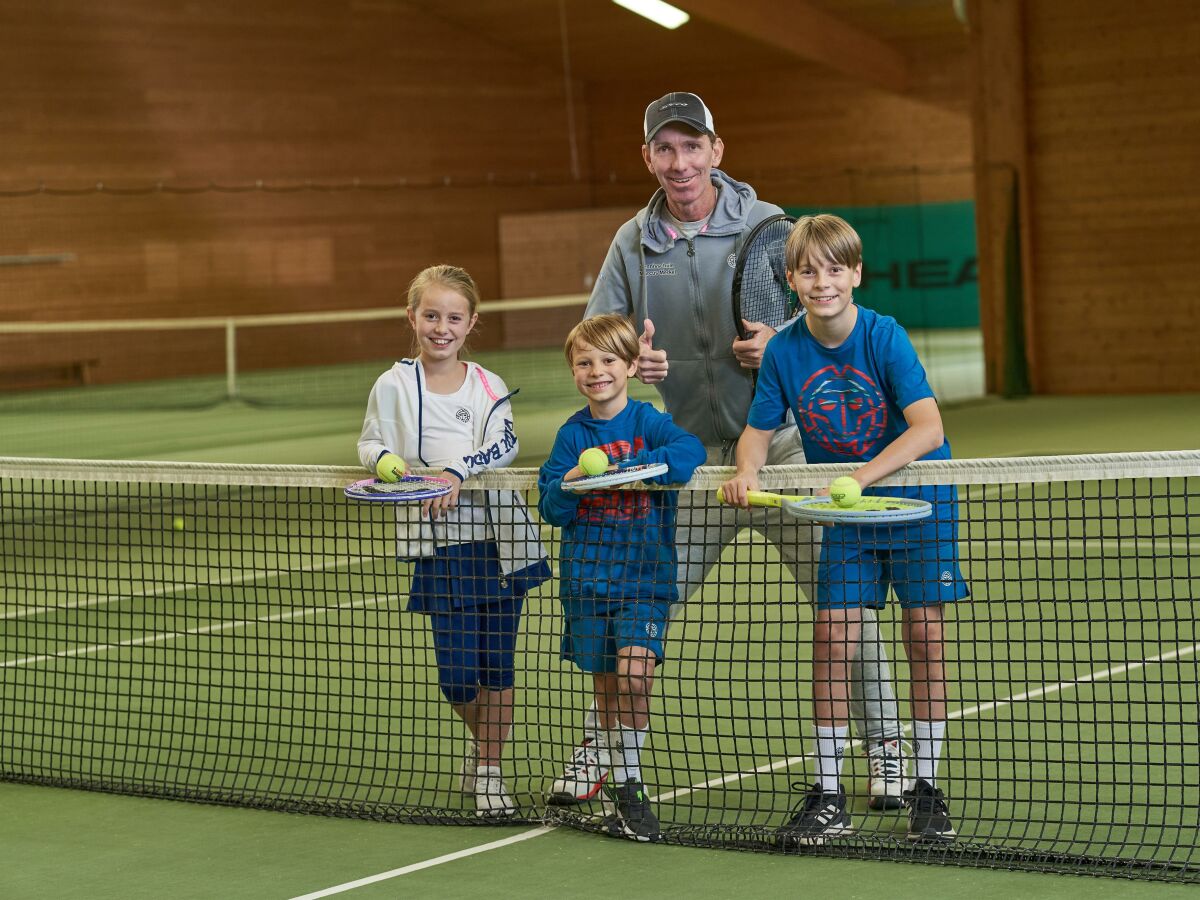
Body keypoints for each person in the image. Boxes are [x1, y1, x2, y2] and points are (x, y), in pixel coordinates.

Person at [549, 90, 908, 812]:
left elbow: (828, 314)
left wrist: (783, 347)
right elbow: (598, 338)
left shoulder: (773, 228)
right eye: (664, 149)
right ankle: (605, 747)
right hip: (689, 460)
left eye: (692, 147)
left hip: (788, 448)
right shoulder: (633, 241)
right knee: (634, 601)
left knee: (846, 604)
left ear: (716, 150)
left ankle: (888, 749)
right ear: (648, 157)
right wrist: (633, 362)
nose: (679, 162)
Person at [720, 214, 969, 844]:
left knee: (924, 637)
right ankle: (829, 792)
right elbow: (757, 430)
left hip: (917, 501)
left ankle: (927, 788)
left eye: (835, 269)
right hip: (850, 514)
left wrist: (861, 476)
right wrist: (746, 471)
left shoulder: (886, 337)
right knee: (833, 637)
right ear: (791, 278)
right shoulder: (782, 351)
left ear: (855, 274)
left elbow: (928, 430)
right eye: (809, 270)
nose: (822, 281)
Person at [357, 264, 550, 819]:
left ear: (471, 325)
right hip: (440, 549)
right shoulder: (391, 385)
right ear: (412, 318)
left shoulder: (487, 385)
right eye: (432, 315)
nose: (442, 327)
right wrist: (388, 462)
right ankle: (484, 745)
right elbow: (370, 442)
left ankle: (489, 770)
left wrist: (456, 472)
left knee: (498, 667)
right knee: (458, 677)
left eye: (455, 317)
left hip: (502, 544)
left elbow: (505, 443)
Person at [538, 314, 705, 842]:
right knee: (609, 688)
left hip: (645, 581)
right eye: (584, 362)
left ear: (632, 366)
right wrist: (571, 484)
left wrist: (637, 467)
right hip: (587, 585)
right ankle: (618, 780)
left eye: (609, 360)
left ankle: (630, 783)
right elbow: (551, 507)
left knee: (636, 676)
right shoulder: (571, 435)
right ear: (573, 371)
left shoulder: (648, 422)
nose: (597, 371)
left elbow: (689, 453)